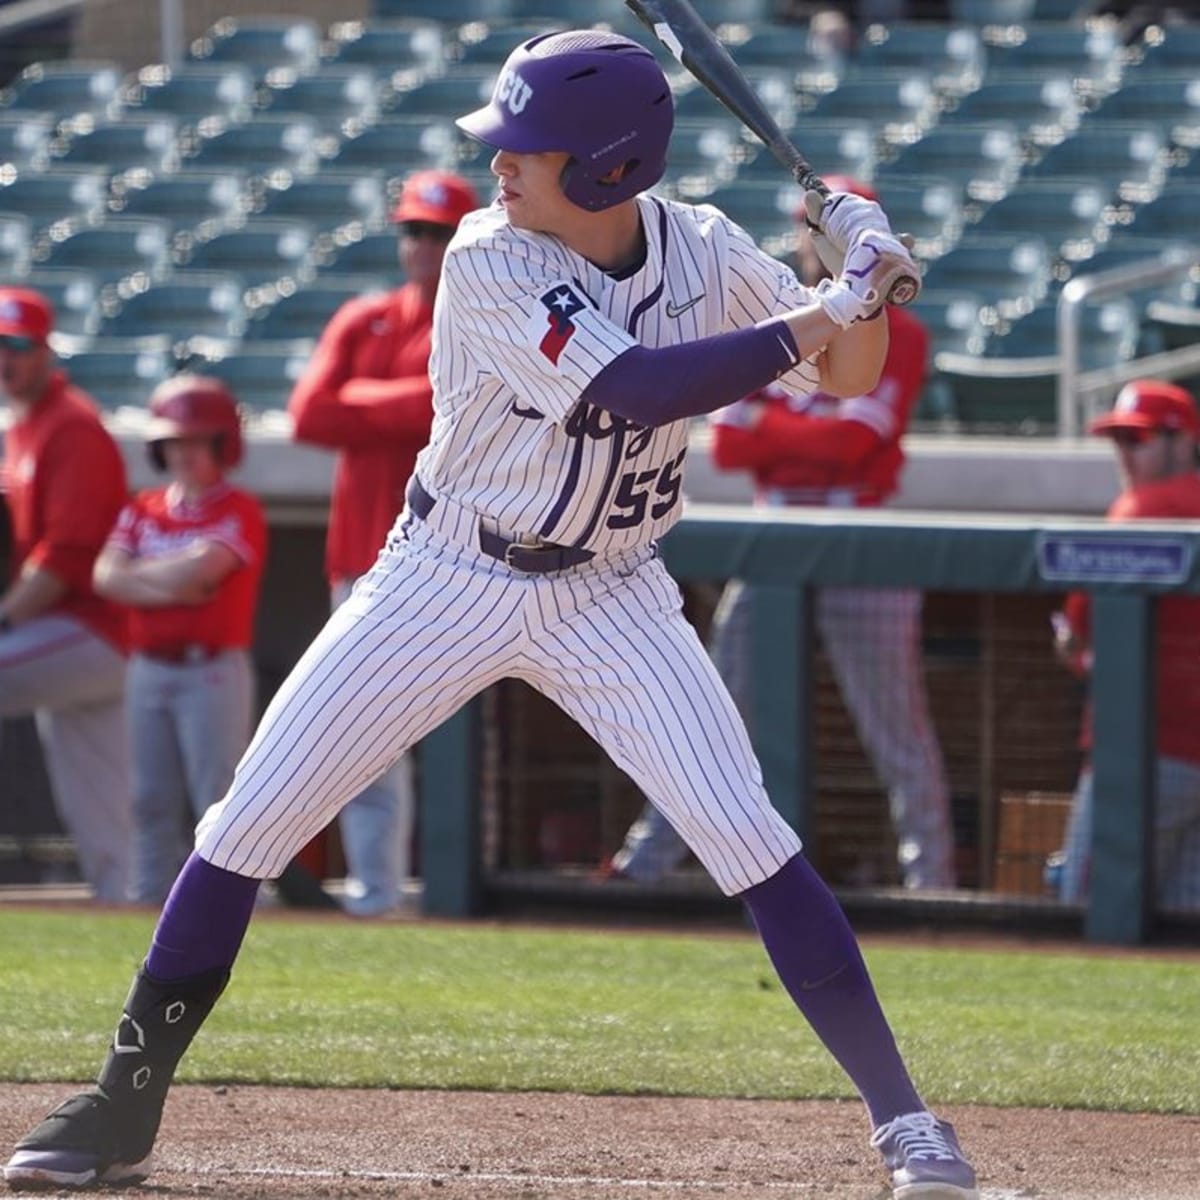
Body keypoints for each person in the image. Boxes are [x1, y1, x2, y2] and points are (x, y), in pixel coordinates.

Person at [4, 31, 977, 1200]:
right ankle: (121, 1105)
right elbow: (631, 392)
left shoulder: (707, 247)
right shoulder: (485, 258)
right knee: (246, 821)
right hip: (445, 572)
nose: (501, 165)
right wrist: (828, 305)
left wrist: (859, 272)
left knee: (750, 837)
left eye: (529, 147)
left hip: (610, 590)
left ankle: (907, 1122)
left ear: (612, 170)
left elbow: (853, 373)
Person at [602, 177, 956, 892]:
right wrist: (792, 433)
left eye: (826, 226)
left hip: (859, 536)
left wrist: (775, 427)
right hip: (774, 535)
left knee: (895, 726)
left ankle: (935, 878)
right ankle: (648, 864)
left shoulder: (900, 329)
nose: (812, 239)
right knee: (714, 709)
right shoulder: (772, 316)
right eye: (806, 225)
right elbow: (730, 447)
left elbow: (852, 447)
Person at [288, 168, 480, 917]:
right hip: (362, 557)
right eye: (413, 232)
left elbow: (451, 409)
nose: (422, 247)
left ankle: (462, 894)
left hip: (461, 565)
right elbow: (308, 415)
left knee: (463, 744)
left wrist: (359, 405)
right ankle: (378, 896)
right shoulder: (364, 318)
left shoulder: (484, 320)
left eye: (437, 233)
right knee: (365, 735)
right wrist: (397, 406)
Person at [92, 375, 267, 906]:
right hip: (148, 667)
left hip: (210, 669)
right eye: (174, 441)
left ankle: (230, 910)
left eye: (197, 440)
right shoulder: (143, 507)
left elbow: (203, 575)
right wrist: (168, 581)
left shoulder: (239, 508)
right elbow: (104, 577)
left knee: (216, 798)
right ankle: (148, 904)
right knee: (148, 800)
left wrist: (139, 577)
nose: (184, 453)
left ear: (222, 445)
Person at [0, 286, 131, 903]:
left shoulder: (70, 425)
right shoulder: (25, 425)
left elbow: (64, 559)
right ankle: (129, 907)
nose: (7, 358)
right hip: (73, 637)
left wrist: (4, 618)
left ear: (46, 351)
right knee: (101, 803)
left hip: (93, 630)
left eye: (18, 346)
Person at [1052, 379, 1200, 911]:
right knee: (1184, 938)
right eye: (1119, 441)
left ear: (1184, 442)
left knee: (1093, 910)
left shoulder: (1141, 508)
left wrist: (1078, 653)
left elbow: (1078, 635)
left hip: (1142, 753)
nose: (1125, 454)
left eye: (1139, 440)